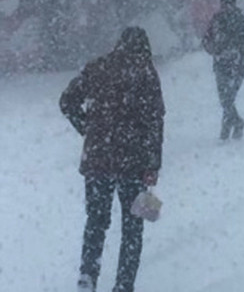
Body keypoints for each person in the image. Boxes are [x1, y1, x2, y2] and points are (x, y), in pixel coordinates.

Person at [60, 27, 165, 292]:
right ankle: (123, 285)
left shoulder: (97, 67)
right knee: (132, 227)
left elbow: (67, 101)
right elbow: (154, 123)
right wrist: (152, 165)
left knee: (96, 222)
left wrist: (88, 128)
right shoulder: (146, 73)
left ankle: (87, 275)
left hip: (98, 160)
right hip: (134, 162)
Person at [203, 0, 244, 140]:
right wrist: (215, 49)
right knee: (225, 99)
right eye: (224, 4)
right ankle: (235, 123)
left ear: (234, 4)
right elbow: (206, 41)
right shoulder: (216, 21)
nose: (226, 8)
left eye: (229, 4)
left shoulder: (242, 22)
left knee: (227, 99)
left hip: (237, 66)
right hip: (222, 65)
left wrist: (239, 49)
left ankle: (228, 127)